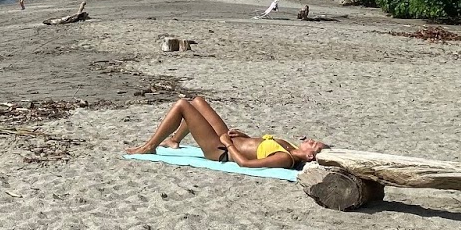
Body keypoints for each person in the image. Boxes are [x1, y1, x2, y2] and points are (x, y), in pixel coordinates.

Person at [125, 95, 326, 169]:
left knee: (182, 106)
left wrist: (228, 143)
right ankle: (174, 140)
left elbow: (246, 163)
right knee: (198, 102)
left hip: (221, 151)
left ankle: (149, 147)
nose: (311, 140)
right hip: (229, 142)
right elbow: (256, 147)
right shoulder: (289, 146)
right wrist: (244, 137)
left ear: (309, 156)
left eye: (313, 144)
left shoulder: (286, 158)